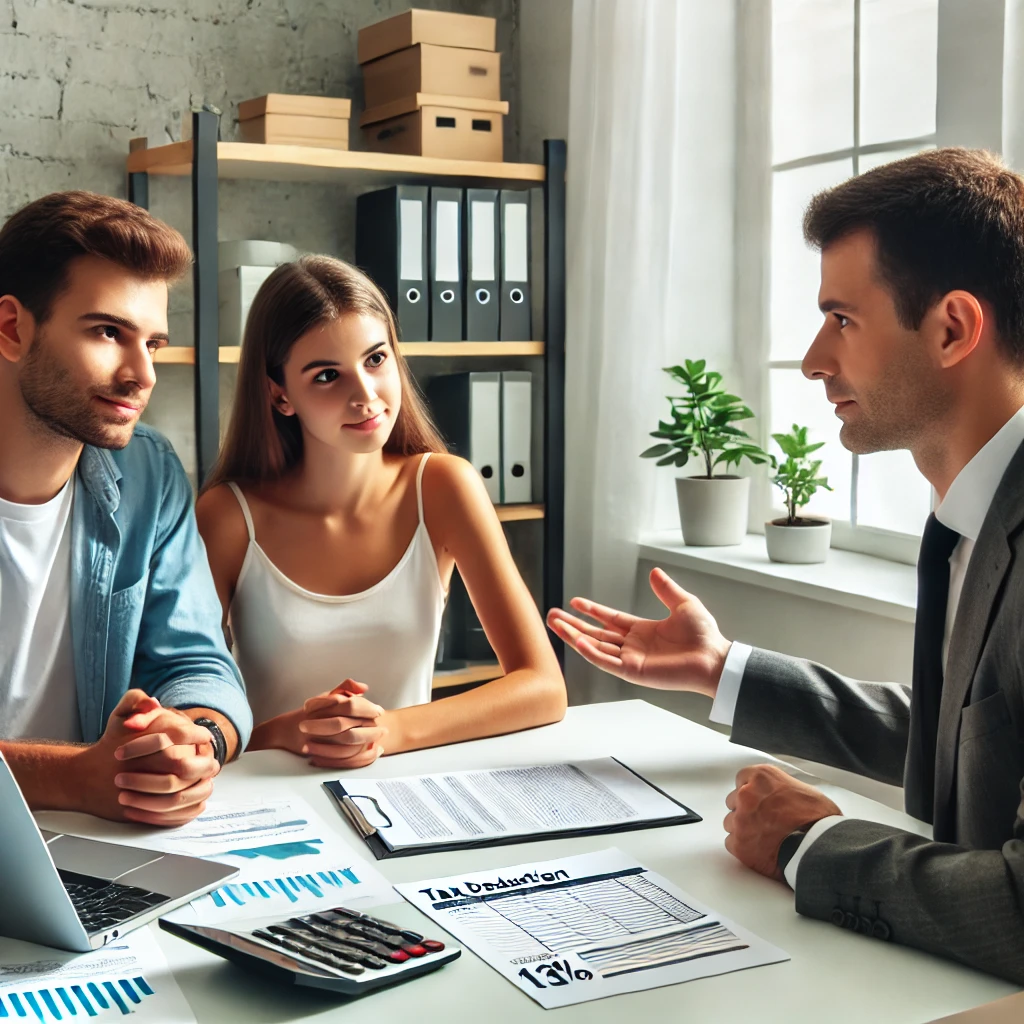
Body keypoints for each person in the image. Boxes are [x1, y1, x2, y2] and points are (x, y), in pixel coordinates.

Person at [548, 148, 1024, 984]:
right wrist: (724, 670)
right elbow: (970, 738)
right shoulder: (972, 517)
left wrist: (811, 844)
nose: (812, 359)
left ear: (952, 328)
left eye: (842, 320)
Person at [195, 255, 565, 769]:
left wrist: (386, 731)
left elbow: (543, 687)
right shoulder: (229, 517)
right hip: (269, 798)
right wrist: (282, 733)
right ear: (280, 395)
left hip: (409, 793)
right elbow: (190, 719)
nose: (365, 397)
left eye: (375, 359)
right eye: (327, 376)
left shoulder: (443, 487)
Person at [0, 190, 252, 826]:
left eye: (156, 343)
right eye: (108, 332)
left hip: (84, 842)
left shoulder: (149, 473)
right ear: (12, 328)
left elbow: (195, 663)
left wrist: (193, 742)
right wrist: (76, 778)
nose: (143, 374)